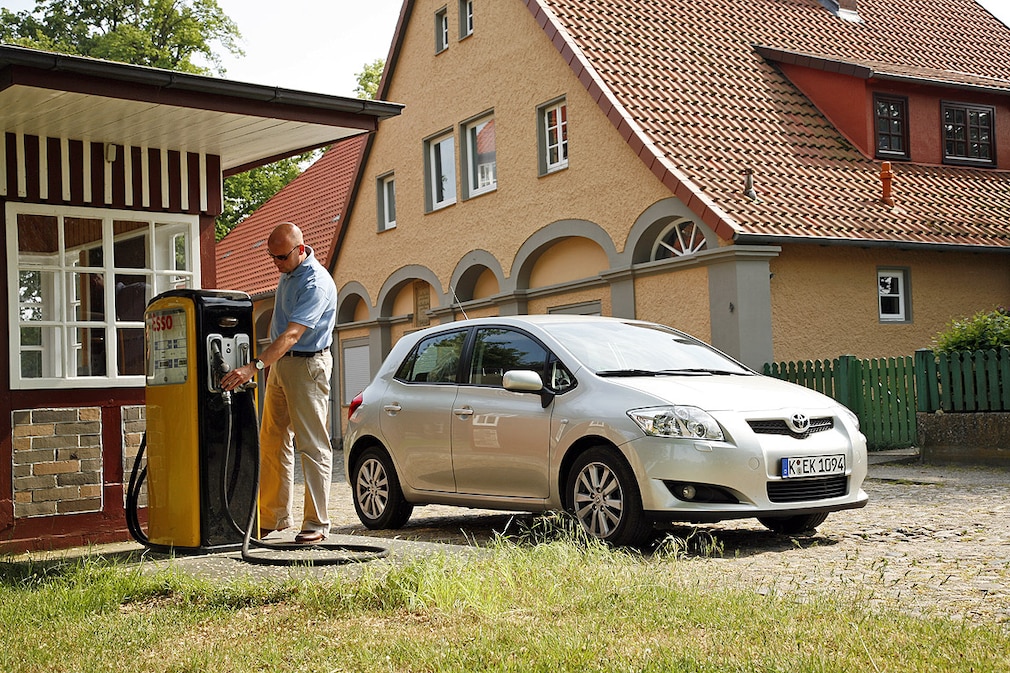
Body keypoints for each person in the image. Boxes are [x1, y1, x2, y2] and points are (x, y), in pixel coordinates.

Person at [222, 222, 337, 544]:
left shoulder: (315, 283)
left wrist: (254, 366)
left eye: (282, 257)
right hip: (283, 365)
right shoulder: (289, 271)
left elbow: (292, 334)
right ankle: (273, 517)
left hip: (308, 366)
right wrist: (269, 365)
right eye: (272, 257)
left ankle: (317, 523)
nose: (276, 263)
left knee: (312, 445)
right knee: (272, 439)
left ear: (300, 250)